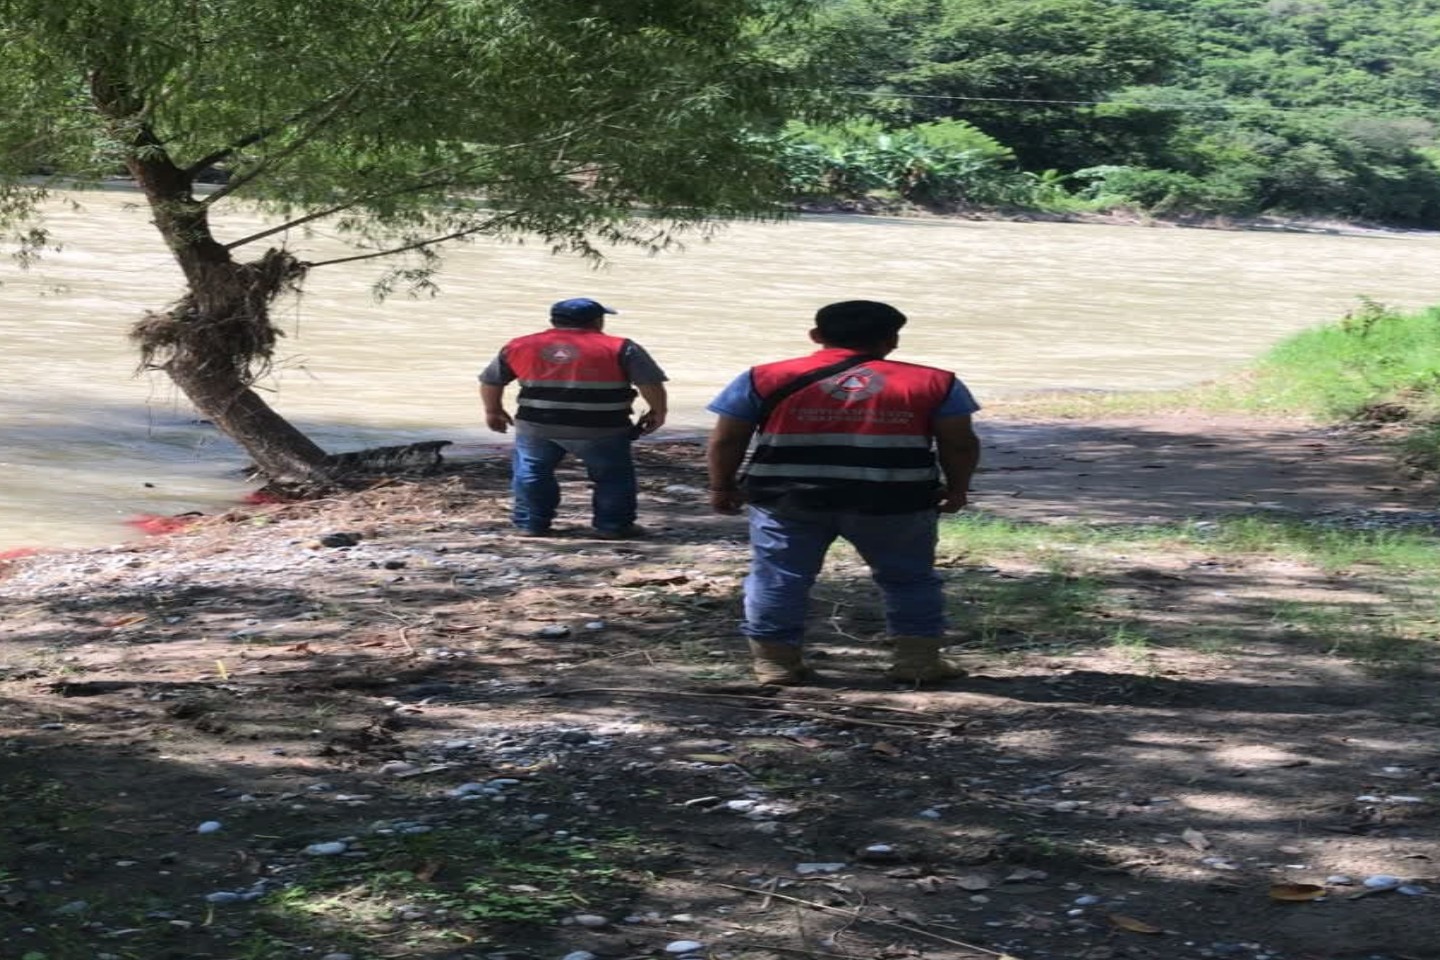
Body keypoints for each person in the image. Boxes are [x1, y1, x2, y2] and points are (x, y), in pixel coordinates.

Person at [706, 300, 981, 685]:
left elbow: (727, 438)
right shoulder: (936, 382)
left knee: (779, 577)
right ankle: (917, 661)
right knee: (909, 579)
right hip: (894, 500)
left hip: (788, 499)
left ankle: (776, 663)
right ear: (892, 340)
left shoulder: (762, 376)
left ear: (816, 337)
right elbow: (959, 444)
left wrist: (722, 485)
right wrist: (957, 489)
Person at [479, 297, 668, 539]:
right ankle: (613, 526)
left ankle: (531, 523)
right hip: (602, 427)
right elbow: (649, 383)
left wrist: (492, 410)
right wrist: (658, 411)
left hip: (538, 425)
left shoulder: (519, 345)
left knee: (532, 471)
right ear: (597, 321)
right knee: (612, 475)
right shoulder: (622, 347)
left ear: (553, 321)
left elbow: (491, 380)